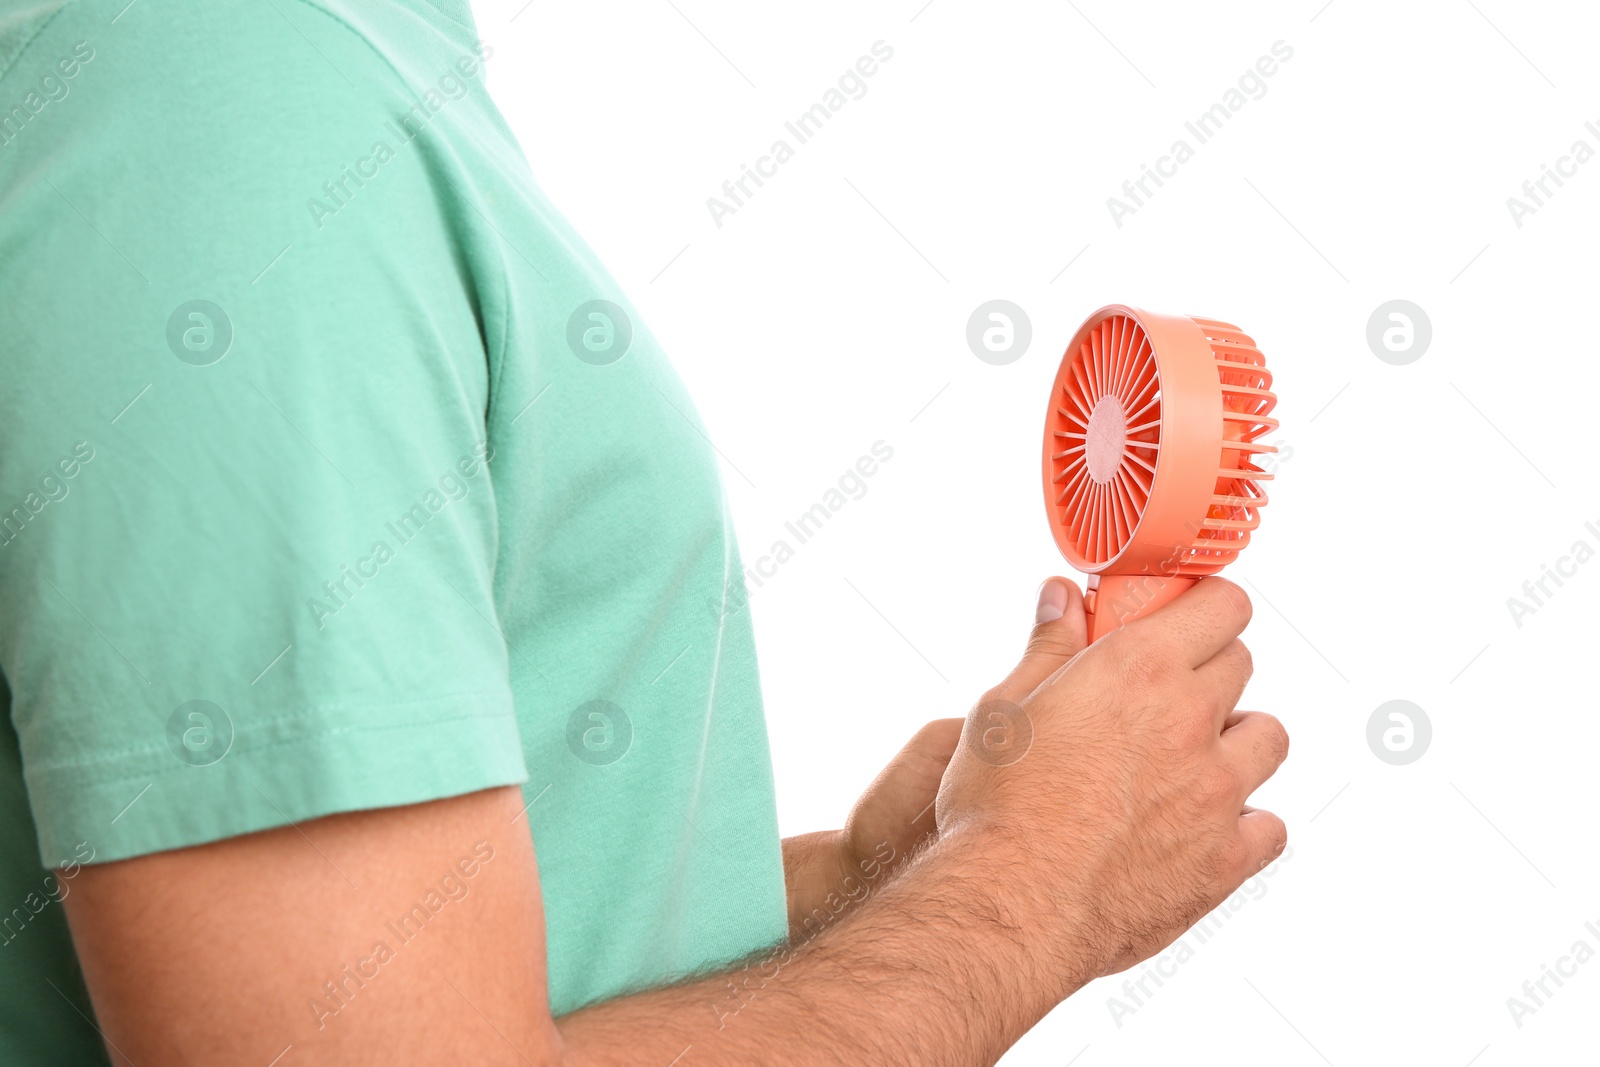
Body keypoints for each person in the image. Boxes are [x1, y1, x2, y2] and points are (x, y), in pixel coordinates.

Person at [0, 1, 1288, 1062]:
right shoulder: (226, 108)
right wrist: (1028, 891)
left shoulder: (323, 70)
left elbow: (456, 962)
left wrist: (876, 880)